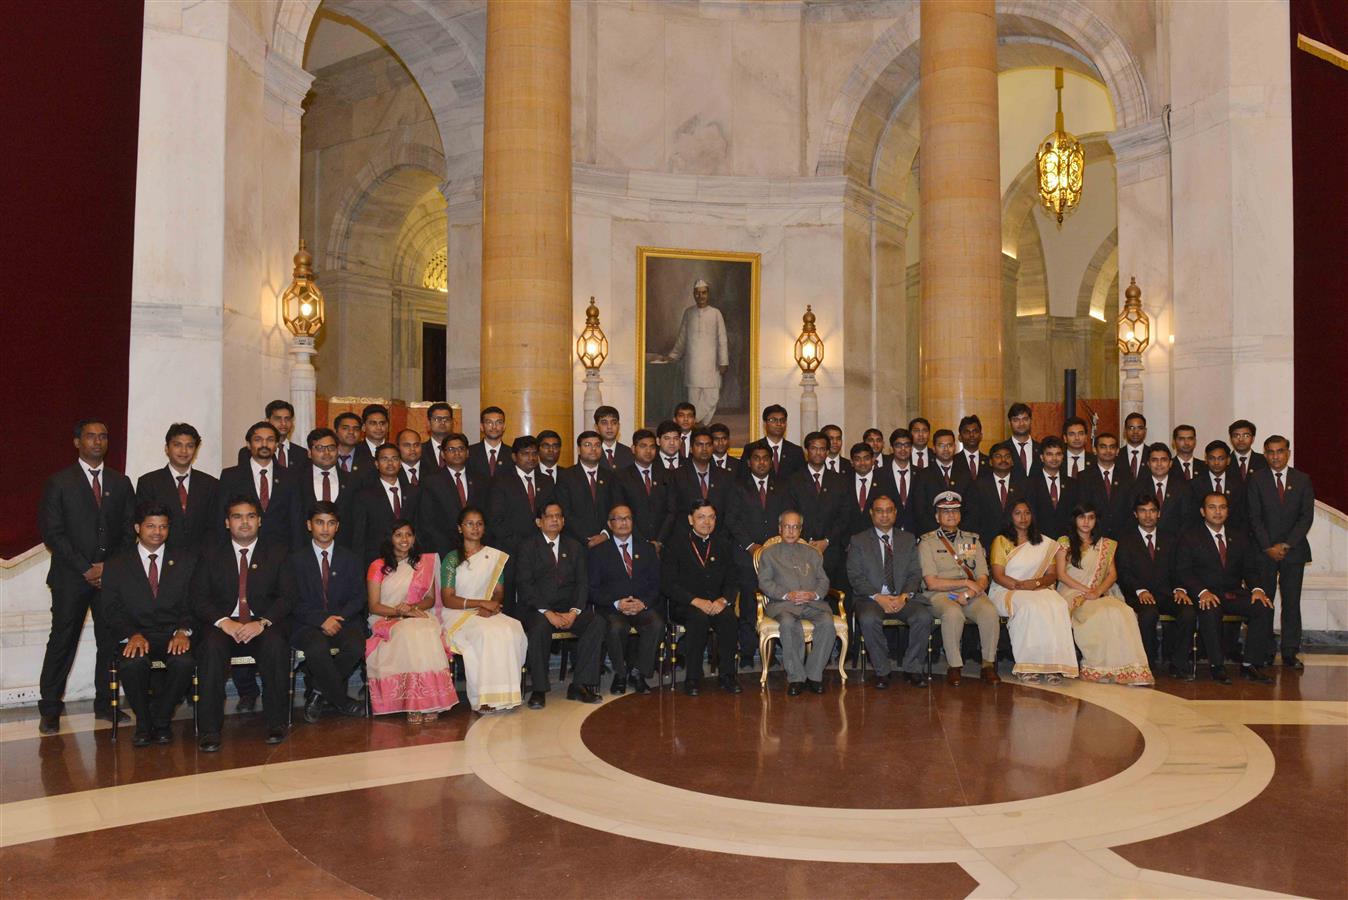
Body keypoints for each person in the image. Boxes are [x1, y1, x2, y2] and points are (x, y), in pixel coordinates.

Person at [37, 418, 135, 734]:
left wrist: (109, 568)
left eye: (103, 436)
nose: (97, 441)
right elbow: (53, 533)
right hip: (70, 577)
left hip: (110, 578)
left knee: (109, 642)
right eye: (90, 436)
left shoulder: (121, 483)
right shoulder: (59, 482)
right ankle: (50, 708)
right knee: (62, 641)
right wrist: (85, 567)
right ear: (77, 442)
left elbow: (127, 532)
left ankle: (106, 704)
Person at [192, 496, 295, 751]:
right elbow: (198, 597)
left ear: (259, 520)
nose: (245, 522)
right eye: (237, 517)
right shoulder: (210, 553)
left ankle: (276, 723)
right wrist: (222, 621)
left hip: (261, 624)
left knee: (275, 645)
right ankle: (209, 729)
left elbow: (288, 596)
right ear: (227, 523)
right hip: (224, 625)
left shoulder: (278, 552)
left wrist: (263, 622)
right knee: (211, 649)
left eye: (250, 516)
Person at [102, 503, 196, 746]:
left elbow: (192, 602)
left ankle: (162, 720)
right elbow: (110, 608)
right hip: (135, 634)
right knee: (133, 664)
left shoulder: (185, 560)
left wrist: (183, 631)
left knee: (184, 661)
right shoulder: (117, 563)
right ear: (137, 528)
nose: (157, 531)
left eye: (163, 526)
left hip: (171, 633)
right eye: (151, 526)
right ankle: (144, 723)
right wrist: (131, 634)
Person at [1176, 492, 1277, 684]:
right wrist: (1202, 592)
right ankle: (1217, 666)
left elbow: (1250, 569)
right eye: (1212, 507)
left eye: (1222, 507)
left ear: (1228, 511)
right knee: (1210, 609)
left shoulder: (1239, 536)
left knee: (1263, 607)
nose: (1217, 512)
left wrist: (1257, 589)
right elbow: (1183, 571)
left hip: (1232, 593)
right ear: (1202, 511)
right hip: (1204, 593)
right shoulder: (1190, 537)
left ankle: (1250, 665)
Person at [364, 520, 456, 721]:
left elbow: (430, 599)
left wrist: (412, 609)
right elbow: (374, 605)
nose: (404, 539)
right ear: (390, 538)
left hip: (417, 614)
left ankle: (430, 700)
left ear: (414, 538)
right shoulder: (378, 566)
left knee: (426, 631)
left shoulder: (424, 564)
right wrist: (401, 613)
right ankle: (413, 703)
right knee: (409, 633)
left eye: (408, 535)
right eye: (398, 534)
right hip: (386, 617)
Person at [516, 502, 605, 708]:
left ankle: (580, 684)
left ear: (564, 521)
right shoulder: (528, 546)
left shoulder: (574, 546)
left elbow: (583, 583)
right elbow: (525, 584)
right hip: (538, 609)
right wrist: (548, 612)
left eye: (559, 516)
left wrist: (574, 612)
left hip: (568, 608)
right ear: (539, 522)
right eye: (549, 516)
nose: (555, 519)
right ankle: (539, 689)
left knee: (596, 622)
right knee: (538, 628)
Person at [439, 506, 528, 713]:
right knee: (486, 633)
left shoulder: (493, 557)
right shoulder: (452, 559)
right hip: (458, 613)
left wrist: (492, 605)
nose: (475, 528)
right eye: (469, 523)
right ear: (460, 528)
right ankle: (484, 698)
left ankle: (507, 694)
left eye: (479, 523)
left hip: (487, 610)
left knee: (512, 628)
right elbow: (448, 599)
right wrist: (480, 603)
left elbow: (498, 592)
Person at [1054, 503, 1153, 686]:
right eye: (1082, 517)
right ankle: (1099, 667)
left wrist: (1098, 591)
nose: (1086, 522)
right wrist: (1086, 591)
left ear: (1095, 521)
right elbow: (1061, 574)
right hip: (1071, 593)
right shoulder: (1065, 542)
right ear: (1074, 519)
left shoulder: (1105, 545)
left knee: (1123, 612)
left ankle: (1127, 669)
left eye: (1091, 518)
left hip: (1098, 593)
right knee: (1099, 615)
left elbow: (1112, 574)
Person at [986, 500, 1079, 684]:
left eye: (1027, 513)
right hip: (1006, 589)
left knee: (1057, 604)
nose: (1023, 517)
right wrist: (1021, 586)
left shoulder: (1044, 543)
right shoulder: (1001, 540)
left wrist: (1035, 583)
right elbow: (998, 575)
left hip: (1036, 587)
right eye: (1017, 513)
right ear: (1010, 517)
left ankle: (1054, 665)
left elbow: (1052, 576)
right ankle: (1027, 665)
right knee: (1029, 606)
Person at [846, 495, 934, 688]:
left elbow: (914, 574)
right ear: (871, 513)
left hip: (903, 597)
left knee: (923, 617)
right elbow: (855, 576)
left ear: (895, 512)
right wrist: (879, 597)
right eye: (879, 510)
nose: (884, 515)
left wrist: (904, 596)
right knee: (868, 619)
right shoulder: (859, 540)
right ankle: (882, 671)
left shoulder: (908, 539)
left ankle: (913, 668)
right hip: (870, 598)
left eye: (889, 510)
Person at [291, 501, 366, 723]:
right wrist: (322, 619)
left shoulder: (350, 558)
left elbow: (359, 596)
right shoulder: (295, 560)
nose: (325, 529)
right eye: (319, 523)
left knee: (356, 645)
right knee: (317, 648)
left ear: (338, 526)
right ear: (309, 525)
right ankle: (342, 701)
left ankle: (317, 692)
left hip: (345, 620)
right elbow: (291, 601)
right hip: (307, 623)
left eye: (331, 523)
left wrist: (338, 618)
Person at [1246, 435, 1314, 670]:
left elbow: (1306, 517)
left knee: (1292, 603)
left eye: (1280, 451)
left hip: (1293, 552)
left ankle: (1290, 651)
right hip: (1264, 553)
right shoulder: (1256, 479)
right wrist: (1268, 547)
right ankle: (1265, 650)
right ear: (1265, 454)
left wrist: (1285, 545)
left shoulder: (1302, 479)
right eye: (1271, 452)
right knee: (1265, 602)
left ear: (1288, 453)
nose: (1275, 456)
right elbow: (1253, 517)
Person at [919, 492, 1000, 686]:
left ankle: (988, 664)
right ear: (937, 517)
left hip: (971, 593)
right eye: (945, 511)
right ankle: (954, 666)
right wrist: (964, 584)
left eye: (955, 511)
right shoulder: (927, 542)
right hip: (940, 594)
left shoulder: (972, 540)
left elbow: (983, 576)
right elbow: (931, 582)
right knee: (953, 612)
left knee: (989, 611)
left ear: (960, 515)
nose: (951, 515)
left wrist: (971, 592)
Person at [663, 501, 741, 695]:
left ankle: (727, 676)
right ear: (691, 520)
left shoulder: (723, 544)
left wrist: (724, 600)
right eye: (701, 517)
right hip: (685, 604)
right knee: (698, 619)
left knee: (729, 618)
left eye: (711, 517)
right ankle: (693, 678)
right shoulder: (676, 544)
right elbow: (668, 584)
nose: (707, 522)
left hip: (715, 603)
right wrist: (696, 601)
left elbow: (733, 579)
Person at [1115, 494, 1196, 679]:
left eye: (1152, 511)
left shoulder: (1171, 538)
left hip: (1167, 594)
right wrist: (1140, 590)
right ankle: (1147, 664)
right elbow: (1124, 572)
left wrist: (1180, 589)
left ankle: (1179, 664)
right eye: (1143, 511)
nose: (1148, 516)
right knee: (1149, 614)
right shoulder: (1126, 539)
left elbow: (1180, 568)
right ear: (1136, 514)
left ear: (1159, 513)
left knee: (1188, 612)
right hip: (1139, 595)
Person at [757, 511, 836, 695]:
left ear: (801, 530)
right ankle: (796, 678)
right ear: (779, 528)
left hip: (812, 604)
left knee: (827, 622)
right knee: (788, 623)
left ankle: (814, 675)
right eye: (787, 526)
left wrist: (814, 595)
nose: (791, 531)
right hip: (783, 604)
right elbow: (765, 582)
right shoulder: (769, 554)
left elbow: (823, 581)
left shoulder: (813, 553)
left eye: (795, 527)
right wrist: (787, 595)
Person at [728, 445, 792, 665]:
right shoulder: (737, 487)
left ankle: (771, 653)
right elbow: (732, 520)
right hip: (746, 557)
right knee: (748, 605)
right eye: (757, 459)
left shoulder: (782, 487)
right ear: (749, 462)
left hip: (777, 558)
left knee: (774, 603)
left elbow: (787, 519)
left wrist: (775, 545)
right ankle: (747, 653)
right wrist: (750, 545)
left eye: (766, 458)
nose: (762, 462)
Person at [589, 504, 664, 695]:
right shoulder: (598, 552)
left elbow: (657, 584)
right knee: (615, 628)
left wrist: (643, 603)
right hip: (613, 608)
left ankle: (638, 672)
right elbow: (592, 589)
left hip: (641, 606)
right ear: (609, 524)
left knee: (656, 624)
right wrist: (616, 603)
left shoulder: (646, 549)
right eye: (618, 519)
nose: (623, 522)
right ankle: (621, 675)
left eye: (627, 518)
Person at [136, 422, 219, 554]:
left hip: (201, 559)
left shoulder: (210, 484)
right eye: (177, 445)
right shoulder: (149, 483)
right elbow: (145, 526)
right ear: (167, 448)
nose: (184, 451)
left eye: (190, 446)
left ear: (196, 450)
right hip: (163, 559)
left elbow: (215, 526)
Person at [659, 279, 729, 423]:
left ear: (708, 294)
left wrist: (723, 361)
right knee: (693, 399)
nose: (700, 296)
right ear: (693, 295)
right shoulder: (688, 313)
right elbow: (682, 337)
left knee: (712, 397)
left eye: (703, 293)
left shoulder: (716, 313)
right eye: (697, 293)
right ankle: (694, 426)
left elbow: (722, 339)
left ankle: (692, 422)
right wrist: (673, 356)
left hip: (711, 364)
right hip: (693, 364)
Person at [217, 421, 295, 548]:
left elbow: (295, 519)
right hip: (242, 549)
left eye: (270, 440)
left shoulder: (290, 478)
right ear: (248, 444)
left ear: (276, 445)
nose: (264, 444)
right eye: (258, 440)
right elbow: (221, 517)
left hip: (281, 550)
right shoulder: (230, 476)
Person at [787, 431, 850, 589]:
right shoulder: (793, 480)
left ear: (828, 452)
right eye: (814, 448)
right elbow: (790, 513)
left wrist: (826, 541)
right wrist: (805, 541)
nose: (818, 452)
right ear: (807, 450)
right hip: (800, 548)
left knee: (833, 597)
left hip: (832, 550)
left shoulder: (840, 481)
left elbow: (844, 516)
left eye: (822, 449)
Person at [350, 443, 421, 566]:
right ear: (376, 464)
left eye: (394, 459)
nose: (390, 463)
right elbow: (359, 537)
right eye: (384, 459)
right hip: (377, 562)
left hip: (410, 560)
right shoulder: (364, 496)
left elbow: (420, 527)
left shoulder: (414, 491)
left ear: (400, 463)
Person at [487, 436, 555, 561]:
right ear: (514, 457)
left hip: (541, 549)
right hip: (510, 550)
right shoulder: (501, 481)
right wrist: (520, 544)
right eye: (525, 454)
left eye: (535, 453)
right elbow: (495, 520)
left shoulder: (547, 481)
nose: (531, 458)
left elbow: (550, 514)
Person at [417, 433, 483, 557]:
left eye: (461, 449)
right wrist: (449, 550)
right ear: (443, 454)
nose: (457, 453)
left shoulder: (480, 480)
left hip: (476, 549)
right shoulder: (431, 482)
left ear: (467, 452)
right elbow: (427, 521)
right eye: (451, 449)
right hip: (443, 549)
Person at [289, 427, 354, 550]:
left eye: (331, 448)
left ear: (338, 450)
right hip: (304, 550)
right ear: (309, 452)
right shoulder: (295, 480)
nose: (327, 453)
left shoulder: (353, 481)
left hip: (344, 551)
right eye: (320, 448)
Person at [667, 428, 732, 540]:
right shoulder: (677, 476)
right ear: (691, 449)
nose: (704, 449)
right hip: (685, 540)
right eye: (699, 445)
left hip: (718, 540)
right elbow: (673, 511)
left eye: (708, 445)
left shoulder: (725, 476)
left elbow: (729, 512)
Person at [614, 429, 673, 552]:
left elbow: (671, 511)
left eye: (652, 447)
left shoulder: (667, 475)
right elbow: (621, 512)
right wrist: (643, 542)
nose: (648, 451)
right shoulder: (621, 477)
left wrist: (659, 541)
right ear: (633, 449)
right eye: (643, 446)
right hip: (633, 543)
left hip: (664, 544)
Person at [554, 431, 614, 549]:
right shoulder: (566, 476)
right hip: (575, 544)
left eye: (597, 445)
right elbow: (564, 511)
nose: (593, 449)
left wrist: (605, 534)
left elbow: (615, 508)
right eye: (587, 445)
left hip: (605, 542)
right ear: (579, 449)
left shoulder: (610, 477)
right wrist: (586, 538)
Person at [912, 429, 970, 535]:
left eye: (949, 445)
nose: (946, 449)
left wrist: (957, 531)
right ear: (934, 448)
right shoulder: (923, 475)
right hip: (932, 536)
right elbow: (920, 510)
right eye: (941, 445)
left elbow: (971, 508)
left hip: (961, 535)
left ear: (955, 447)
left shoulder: (965, 474)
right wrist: (940, 532)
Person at [1023, 436, 1078, 539]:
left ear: (1063, 457)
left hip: (1066, 544)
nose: (1054, 458)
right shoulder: (1029, 484)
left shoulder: (1073, 485)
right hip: (1037, 542)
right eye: (1049, 454)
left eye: (1058, 454)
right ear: (1042, 457)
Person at [969, 446, 1023, 550]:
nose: (1003, 460)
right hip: (986, 545)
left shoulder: (1023, 485)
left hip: (1017, 544)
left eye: (1007, 457)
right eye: (998, 456)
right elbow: (972, 519)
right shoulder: (978, 485)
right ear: (990, 462)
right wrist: (974, 548)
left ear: (1012, 461)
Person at [1079, 432, 1132, 539]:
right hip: (1094, 537)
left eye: (1112, 447)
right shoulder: (1084, 477)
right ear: (1095, 450)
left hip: (1122, 538)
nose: (1108, 451)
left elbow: (1130, 508)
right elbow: (1082, 508)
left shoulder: (1127, 477)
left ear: (1117, 451)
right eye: (1103, 447)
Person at [1142, 443, 1194, 539]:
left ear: (1170, 463)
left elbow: (1188, 519)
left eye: (1163, 460)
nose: (1159, 464)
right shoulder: (1139, 488)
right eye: (1154, 460)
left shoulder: (1183, 487)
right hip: (1146, 541)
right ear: (1148, 464)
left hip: (1176, 542)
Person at [236, 400, 308, 469]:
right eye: (278, 419)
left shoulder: (302, 454)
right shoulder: (249, 452)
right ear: (267, 421)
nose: (283, 423)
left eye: (287, 419)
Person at [740, 405, 804, 480]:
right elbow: (743, 477)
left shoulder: (796, 451)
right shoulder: (751, 448)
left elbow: (801, 480)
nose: (779, 424)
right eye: (773, 420)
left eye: (782, 420)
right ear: (764, 423)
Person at [872, 428, 918, 534]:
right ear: (891, 448)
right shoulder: (878, 475)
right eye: (898, 445)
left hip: (915, 535)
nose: (903, 449)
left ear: (911, 448)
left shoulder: (922, 474)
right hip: (886, 534)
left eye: (907, 445)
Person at [1197, 439, 1247, 536]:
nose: (1216, 463)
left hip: (1234, 536)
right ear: (1206, 460)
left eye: (1221, 458)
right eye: (1212, 458)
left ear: (1228, 460)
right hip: (1202, 537)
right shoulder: (1194, 485)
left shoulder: (1239, 484)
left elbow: (1243, 515)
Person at [992, 404, 1038, 482]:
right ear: (1009, 423)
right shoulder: (1001, 449)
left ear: (1031, 421)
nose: (1021, 424)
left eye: (1025, 419)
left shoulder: (1041, 449)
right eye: (1016, 420)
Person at [468, 406, 508, 482]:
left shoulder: (512, 454)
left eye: (499, 422)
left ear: (504, 426)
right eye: (489, 422)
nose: (494, 427)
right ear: (481, 427)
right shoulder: (469, 453)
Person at [353, 403, 391, 473]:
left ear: (388, 426)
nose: (379, 428)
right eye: (373, 423)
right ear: (363, 427)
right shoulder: (354, 451)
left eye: (382, 423)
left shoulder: (395, 451)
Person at [594, 405, 634, 470]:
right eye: (604, 423)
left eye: (614, 422)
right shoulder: (590, 453)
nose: (609, 427)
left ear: (619, 426)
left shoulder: (629, 453)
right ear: (596, 427)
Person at [952, 415, 989, 484]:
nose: (971, 435)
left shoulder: (989, 461)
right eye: (966, 432)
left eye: (975, 431)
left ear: (981, 436)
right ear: (960, 437)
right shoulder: (953, 461)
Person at [420, 402, 455, 470]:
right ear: (429, 423)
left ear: (452, 422)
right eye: (437, 419)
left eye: (446, 419)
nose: (442, 422)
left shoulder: (460, 451)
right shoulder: (420, 451)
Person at [333, 412, 365, 479]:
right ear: (335, 431)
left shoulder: (368, 459)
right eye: (345, 428)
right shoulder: (326, 455)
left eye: (356, 429)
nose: (351, 432)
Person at [1122, 413, 1149, 480]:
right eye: (1131, 428)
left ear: (1145, 431)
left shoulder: (1152, 454)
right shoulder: (1116, 455)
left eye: (1140, 428)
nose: (1135, 432)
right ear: (1125, 431)